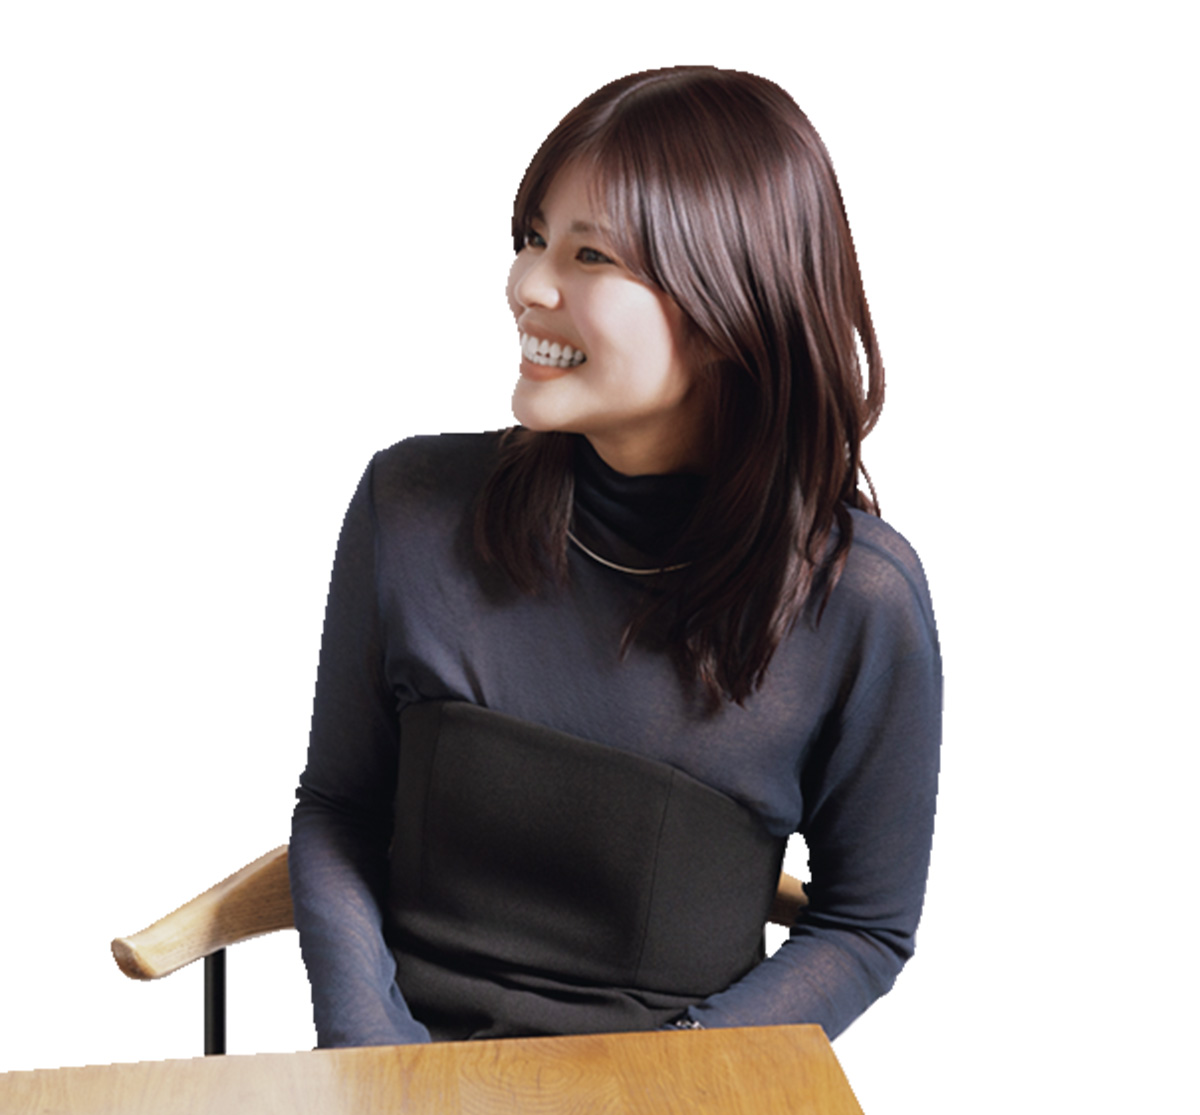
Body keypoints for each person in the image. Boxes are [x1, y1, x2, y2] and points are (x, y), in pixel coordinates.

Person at [289, 65, 942, 1048]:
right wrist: (372, 1059)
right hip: (405, 1094)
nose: (527, 284)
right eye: (532, 237)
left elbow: (864, 928)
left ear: (732, 308)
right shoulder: (411, 506)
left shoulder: (860, 602)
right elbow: (340, 809)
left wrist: (669, 1079)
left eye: (589, 254)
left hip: (675, 1104)